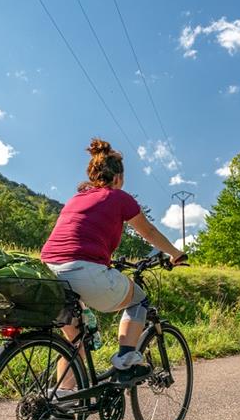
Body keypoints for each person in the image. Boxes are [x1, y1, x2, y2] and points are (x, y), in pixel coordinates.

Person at [41, 138, 186, 387]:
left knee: (75, 343)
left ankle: (62, 405)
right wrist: (176, 253)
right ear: (118, 177)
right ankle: (127, 361)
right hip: (83, 270)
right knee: (139, 299)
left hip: (47, 272)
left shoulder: (76, 199)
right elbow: (148, 232)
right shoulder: (118, 197)